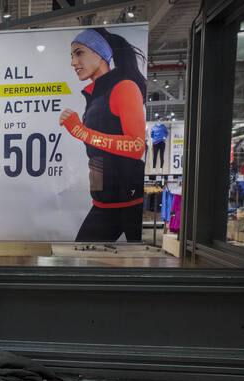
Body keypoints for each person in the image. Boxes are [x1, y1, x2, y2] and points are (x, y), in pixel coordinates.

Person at [59, 28, 147, 242]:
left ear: (100, 54)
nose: (73, 62)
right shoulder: (96, 95)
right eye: (72, 55)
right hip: (105, 201)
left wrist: (80, 131)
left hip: (129, 202)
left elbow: (136, 147)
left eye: (79, 53)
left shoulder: (125, 87)